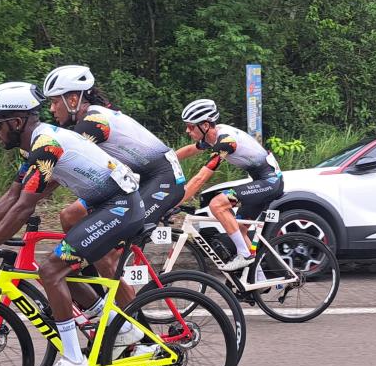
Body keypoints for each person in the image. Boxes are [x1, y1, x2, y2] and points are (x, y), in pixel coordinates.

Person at [0, 82, 146, 366]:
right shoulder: (37, 144)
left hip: (120, 207)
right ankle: (121, 328)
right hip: (107, 206)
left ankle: (73, 361)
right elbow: (12, 195)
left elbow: (23, 208)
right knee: (64, 274)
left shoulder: (47, 145)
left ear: (16, 123)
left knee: (49, 270)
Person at [41, 64, 187, 314]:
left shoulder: (94, 122)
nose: (52, 109)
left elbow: (54, 172)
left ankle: (135, 329)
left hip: (162, 181)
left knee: (106, 256)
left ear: (74, 99)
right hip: (131, 181)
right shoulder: (90, 118)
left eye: (55, 102)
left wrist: (28, 199)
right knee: (70, 216)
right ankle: (93, 297)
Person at [174, 98, 284, 271]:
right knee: (239, 229)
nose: (187, 130)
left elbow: (200, 178)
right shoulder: (212, 137)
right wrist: (167, 159)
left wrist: (175, 201)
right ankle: (258, 282)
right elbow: (190, 150)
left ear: (204, 125)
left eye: (190, 126)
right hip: (260, 181)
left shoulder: (226, 142)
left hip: (269, 182)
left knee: (217, 204)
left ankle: (245, 254)